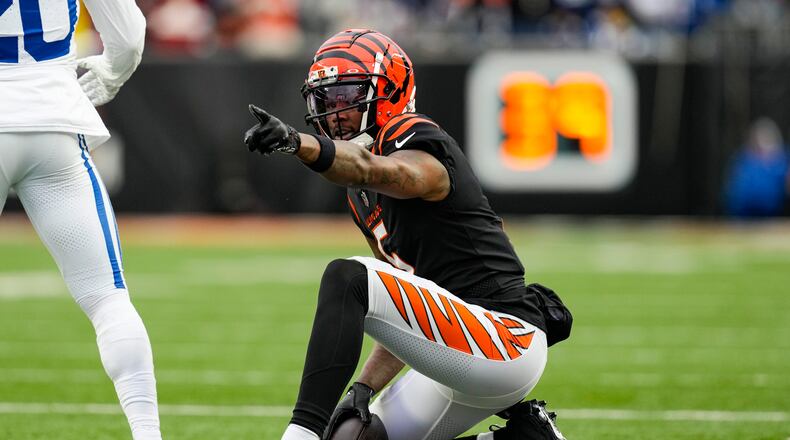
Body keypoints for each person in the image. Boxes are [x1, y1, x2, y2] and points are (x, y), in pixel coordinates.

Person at [244, 29, 571, 440]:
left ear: (390, 92)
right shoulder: (359, 194)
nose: (336, 112)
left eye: (347, 96)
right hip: (458, 348)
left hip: (502, 335)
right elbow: (404, 306)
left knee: (347, 276)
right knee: (351, 436)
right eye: (326, 100)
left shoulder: (412, 135)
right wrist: (364, 386)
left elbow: (385, 171)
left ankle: (299, 436)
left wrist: (298, 143)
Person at [0, 1, 162, 439]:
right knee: (108, 298)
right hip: (53, 119)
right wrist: (111, 74)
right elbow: (128, 35)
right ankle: (147, 433)